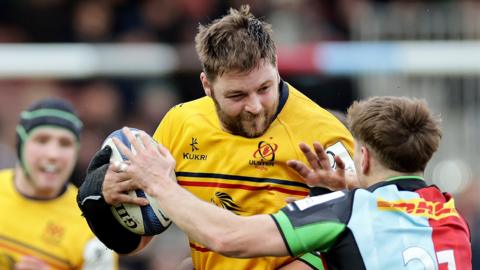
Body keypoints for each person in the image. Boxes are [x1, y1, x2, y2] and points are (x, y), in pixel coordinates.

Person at [77, 5, 354, 270]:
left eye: (265, 87)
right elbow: (137, 240)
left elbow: (357, 241)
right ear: (207, 85)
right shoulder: (181, 124)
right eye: (237, 95)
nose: (255, 105)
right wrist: (100, 197)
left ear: (276, 66)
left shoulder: (325, 138)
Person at [106, 96, 472, 269]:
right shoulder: (452, 219)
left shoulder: (346, 212)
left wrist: (160, 185)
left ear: (363, 157)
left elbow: (227, 239)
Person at [0, 98, 117, 270]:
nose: (53, 154)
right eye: (42, 140)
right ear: (20, 144)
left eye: (65, 143)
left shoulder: (94, 226)